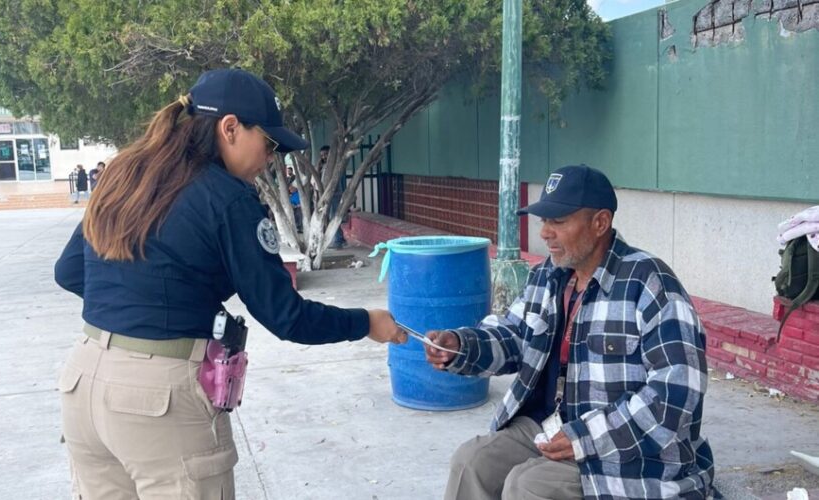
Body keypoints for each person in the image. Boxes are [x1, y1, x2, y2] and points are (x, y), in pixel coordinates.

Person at [54, 68, 407, 499]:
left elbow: (69, 271)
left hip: (82, 386)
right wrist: (366, 322)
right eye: (270, 143)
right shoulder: (227, 197)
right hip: (158, 404)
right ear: (230, 128)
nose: (272, 158)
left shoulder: (126, 174)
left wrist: (138, 303)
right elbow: (286, 316)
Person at [424, 165, 714, 500]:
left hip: (627, 449)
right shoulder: (549, 275)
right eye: (543, 221)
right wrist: (461, 346)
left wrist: (586, 436)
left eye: (558, 222)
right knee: (471, 462)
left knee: (529, 485)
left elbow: (676, 393)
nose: (545, 232)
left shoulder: (648, 283)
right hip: (551, 425)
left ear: (600, 223)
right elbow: (514, 335)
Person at [319, 145, 347, 249]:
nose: (324, 157)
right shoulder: (324, 165)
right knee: (330, 218)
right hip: (326, 195)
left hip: (334, 195)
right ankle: (340, 239)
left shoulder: (335, 165)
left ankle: (338, 241)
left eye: (326, 154)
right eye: (322, 155)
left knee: (334, 218)